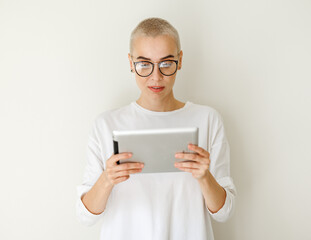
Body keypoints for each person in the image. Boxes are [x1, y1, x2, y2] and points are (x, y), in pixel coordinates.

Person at [76, 17, 237, 240]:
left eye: (166, 63)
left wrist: (205, 177)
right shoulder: (106, 125)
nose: (156, 76)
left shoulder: (207, 119)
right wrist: (107, 179)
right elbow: (85, 216)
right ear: (131, 63)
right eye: (144, 64)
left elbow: (224, 212)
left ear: (179, 60)